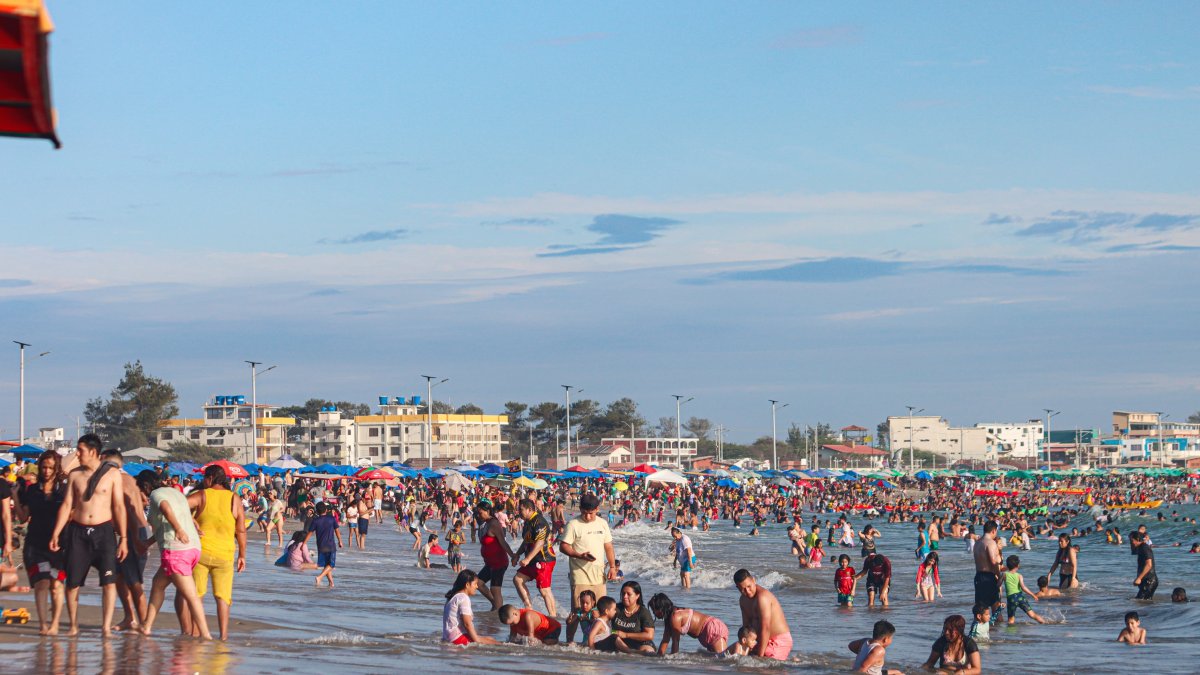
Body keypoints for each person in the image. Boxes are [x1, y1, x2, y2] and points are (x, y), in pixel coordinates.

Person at [49, 433, 128, 636]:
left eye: (80, 450)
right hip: (78, 532)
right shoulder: (75, 475)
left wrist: (124, 539)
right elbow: (67, 505)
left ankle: (106, 627)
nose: (77, 454)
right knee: (72, 583)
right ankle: (73, 625)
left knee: (109, 582)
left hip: (104, 532)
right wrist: (56, 533)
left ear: (93, 452)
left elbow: (119, 507)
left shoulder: (112, 475)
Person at [134, 471, 211, 640]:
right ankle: (146, 626)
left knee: (191, 596)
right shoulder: (175, 492)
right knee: (158, 583)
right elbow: (166, 524)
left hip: (176, 551)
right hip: (192, 548)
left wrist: (179, 530)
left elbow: (166, 508)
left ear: (145, 487)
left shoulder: (156, 495)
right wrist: (148, 543)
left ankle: (206, 635)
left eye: (138, 489)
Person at [178, 464, 247, 641]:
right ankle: (223, 636)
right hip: (225, 555)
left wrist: (192, 519)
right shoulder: (234, 498)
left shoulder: (202, 495)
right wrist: (242, 555)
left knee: (197, 595)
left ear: (210, 478)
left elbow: (178, 506)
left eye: (204, 478)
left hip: (200, 553)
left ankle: (196, 633)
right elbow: (241, 530)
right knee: (223, 597)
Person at [12, 449, 66, 635]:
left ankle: (55, 624)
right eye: (44, 467)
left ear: (57, 468)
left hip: (59, 545)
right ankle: (43, 625)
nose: (47, 471)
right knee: (42, 583)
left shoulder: (64, 491)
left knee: (56, 585)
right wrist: (15, 496)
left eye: (51, 467)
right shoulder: (32, 490)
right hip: (35, 544)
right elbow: (23, 518)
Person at [101, 450, 151, 632]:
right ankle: (130, 617)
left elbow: (129, 508)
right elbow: (143, 501)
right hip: (135, 530)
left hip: (134, 531)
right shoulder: (129, 479)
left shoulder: (118, 480)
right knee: (120, 577)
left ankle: (145, 623)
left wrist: (133, 538)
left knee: (134, 581)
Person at [557, 491, 618, 635]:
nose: (588, 516)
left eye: (591, 513)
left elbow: (608, 546)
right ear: (580, 509)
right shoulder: (573, 524)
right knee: (577, 611)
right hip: (580, 576)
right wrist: (579, 555)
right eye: (585, 513)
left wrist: (612, 567)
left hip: (599, 576)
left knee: (602, 612)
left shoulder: (602, 523)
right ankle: (569, 642)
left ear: (597, 509)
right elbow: (563, 546)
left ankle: (600, 640)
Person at [512, 498, 557, 618]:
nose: (519, 512)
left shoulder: (539, 522)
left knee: (544, 590)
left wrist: (527, 559)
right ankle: (529, 608)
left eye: (521, 510)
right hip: (533, 559)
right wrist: (517, 554)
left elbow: (540, 543)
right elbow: (526, 541)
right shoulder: (527, 521)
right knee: (518, 579)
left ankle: (553, 617)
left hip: (544, 559)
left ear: (529, 509)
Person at [734, 568, 792, 660]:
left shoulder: (762, 598)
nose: (747, 591)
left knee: (762, 664)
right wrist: (745, 650)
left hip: (778, 640)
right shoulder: (743, 600)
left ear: (754, 580)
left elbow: (765, 628)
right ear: (737, 588)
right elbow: (746, 628)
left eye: (749, 586)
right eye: (743, 589)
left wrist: (760, 657)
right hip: (760, 640)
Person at [649, 592, 729, 654]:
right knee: (715, 663)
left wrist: (673, 662)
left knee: (722, 659)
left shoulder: (675, 617)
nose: (653, 613)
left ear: (661, 608)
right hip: (704, 634)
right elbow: (665, 640)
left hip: (712, 628)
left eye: (654, 610)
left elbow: (675, 641)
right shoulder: (668, 619)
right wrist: (658, 659)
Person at [475, 500, 515, 611]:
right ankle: (496, 605)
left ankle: (498, 612)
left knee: (495, 590)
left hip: (499, 562)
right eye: (477, 513)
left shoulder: (494, 523)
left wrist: (513, 556)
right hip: (489, 563)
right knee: (478, 583)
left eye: (480, 512)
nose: (478, 515)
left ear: (488, 511)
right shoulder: (485, 523)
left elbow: (503, 542)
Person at [442, 570, 499, 645]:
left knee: (490, 639)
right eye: (475, 584)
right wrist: (477, 639)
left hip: (448, 636)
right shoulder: (463, 598)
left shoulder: (453, 596)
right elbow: (467, 624)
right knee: (496, 643)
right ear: (467, 585)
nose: (477, 587)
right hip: (456, 638)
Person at [611, 580, 656, 654]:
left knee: (648, 652)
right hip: (619, 642)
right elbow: (605, 625)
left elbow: (649, 635)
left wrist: (626, 635)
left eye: (628, 594)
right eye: (623, 593)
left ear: (637, 596)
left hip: (641, 643)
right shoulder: (615, 609)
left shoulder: (643, 612)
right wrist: (614, 632)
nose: (625, 596)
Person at [303, 501, 342, 587]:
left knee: (326, 565)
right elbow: (337, 530)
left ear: (317, 511)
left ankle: (331, 583)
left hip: (320, 546)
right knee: (331, 565)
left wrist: (304, 544)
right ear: (326, 510)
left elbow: (310, 533)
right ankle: (319, 577)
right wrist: (340, 541)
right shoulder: (331, 519)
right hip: (330, 545)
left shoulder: (315, 521)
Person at [972, 520, 1004, 622]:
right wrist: (999, 577)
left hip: (978, 576)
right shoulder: (991, 543)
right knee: (996, 607)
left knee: (981, 609)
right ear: (994, 530)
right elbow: (993, 562)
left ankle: (979, 629)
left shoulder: (977, 543)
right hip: (988, 578)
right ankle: (999, 630)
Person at [1002, 555, 1047, 624]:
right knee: (1032, 615)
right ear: (1018, 566)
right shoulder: (1019, 576)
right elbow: (1023, 587)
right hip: (1020, 597)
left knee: (1011, 619)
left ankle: (1011, 631)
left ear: (1007, 566)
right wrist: (1033, 595)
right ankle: (1044, 623)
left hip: (1011, 599)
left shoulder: (1004, 574)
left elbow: (998, 584)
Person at [1130, 531, 1157, 600]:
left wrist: (1139, 578)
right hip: (1145, 580)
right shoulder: (1140, 547)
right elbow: (1133, 552)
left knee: (1141, 601)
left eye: (1132, 540)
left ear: (1137, 539)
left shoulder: (1144, 548)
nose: (1130, 542)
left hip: (1149, 581)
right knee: (1141, 602)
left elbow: (1149, 565)